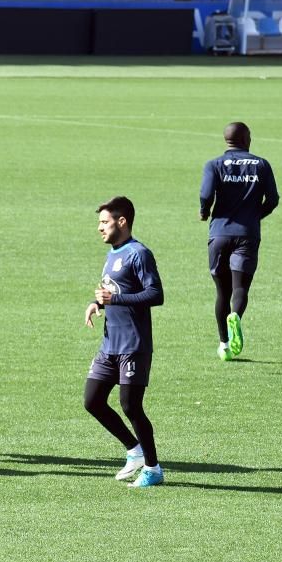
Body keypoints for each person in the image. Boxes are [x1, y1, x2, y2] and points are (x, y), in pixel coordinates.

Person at [83, 197, 165, 488]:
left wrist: (113, 299)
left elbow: (155, 294)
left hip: (133, 343)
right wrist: (98, 303)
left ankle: (153, 469)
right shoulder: (113, 254)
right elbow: (114, 289)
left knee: (131, 406)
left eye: (104, 222)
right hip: (110, 344)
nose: (99, 228)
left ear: (122, 222)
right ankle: (135, 451)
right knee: (92, 400)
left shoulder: (139, 254)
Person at [199, 121, 280, 361]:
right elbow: (273, 199)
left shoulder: (213, 164)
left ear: (227, 140)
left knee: (221, 292)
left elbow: (206, 194)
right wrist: (255, 216)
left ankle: (224, 344)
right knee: (240, 288)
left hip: (219, 235)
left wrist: (205, 211)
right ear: (246, 139)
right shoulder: (261, 164)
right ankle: (236, 315)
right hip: (247, 235)